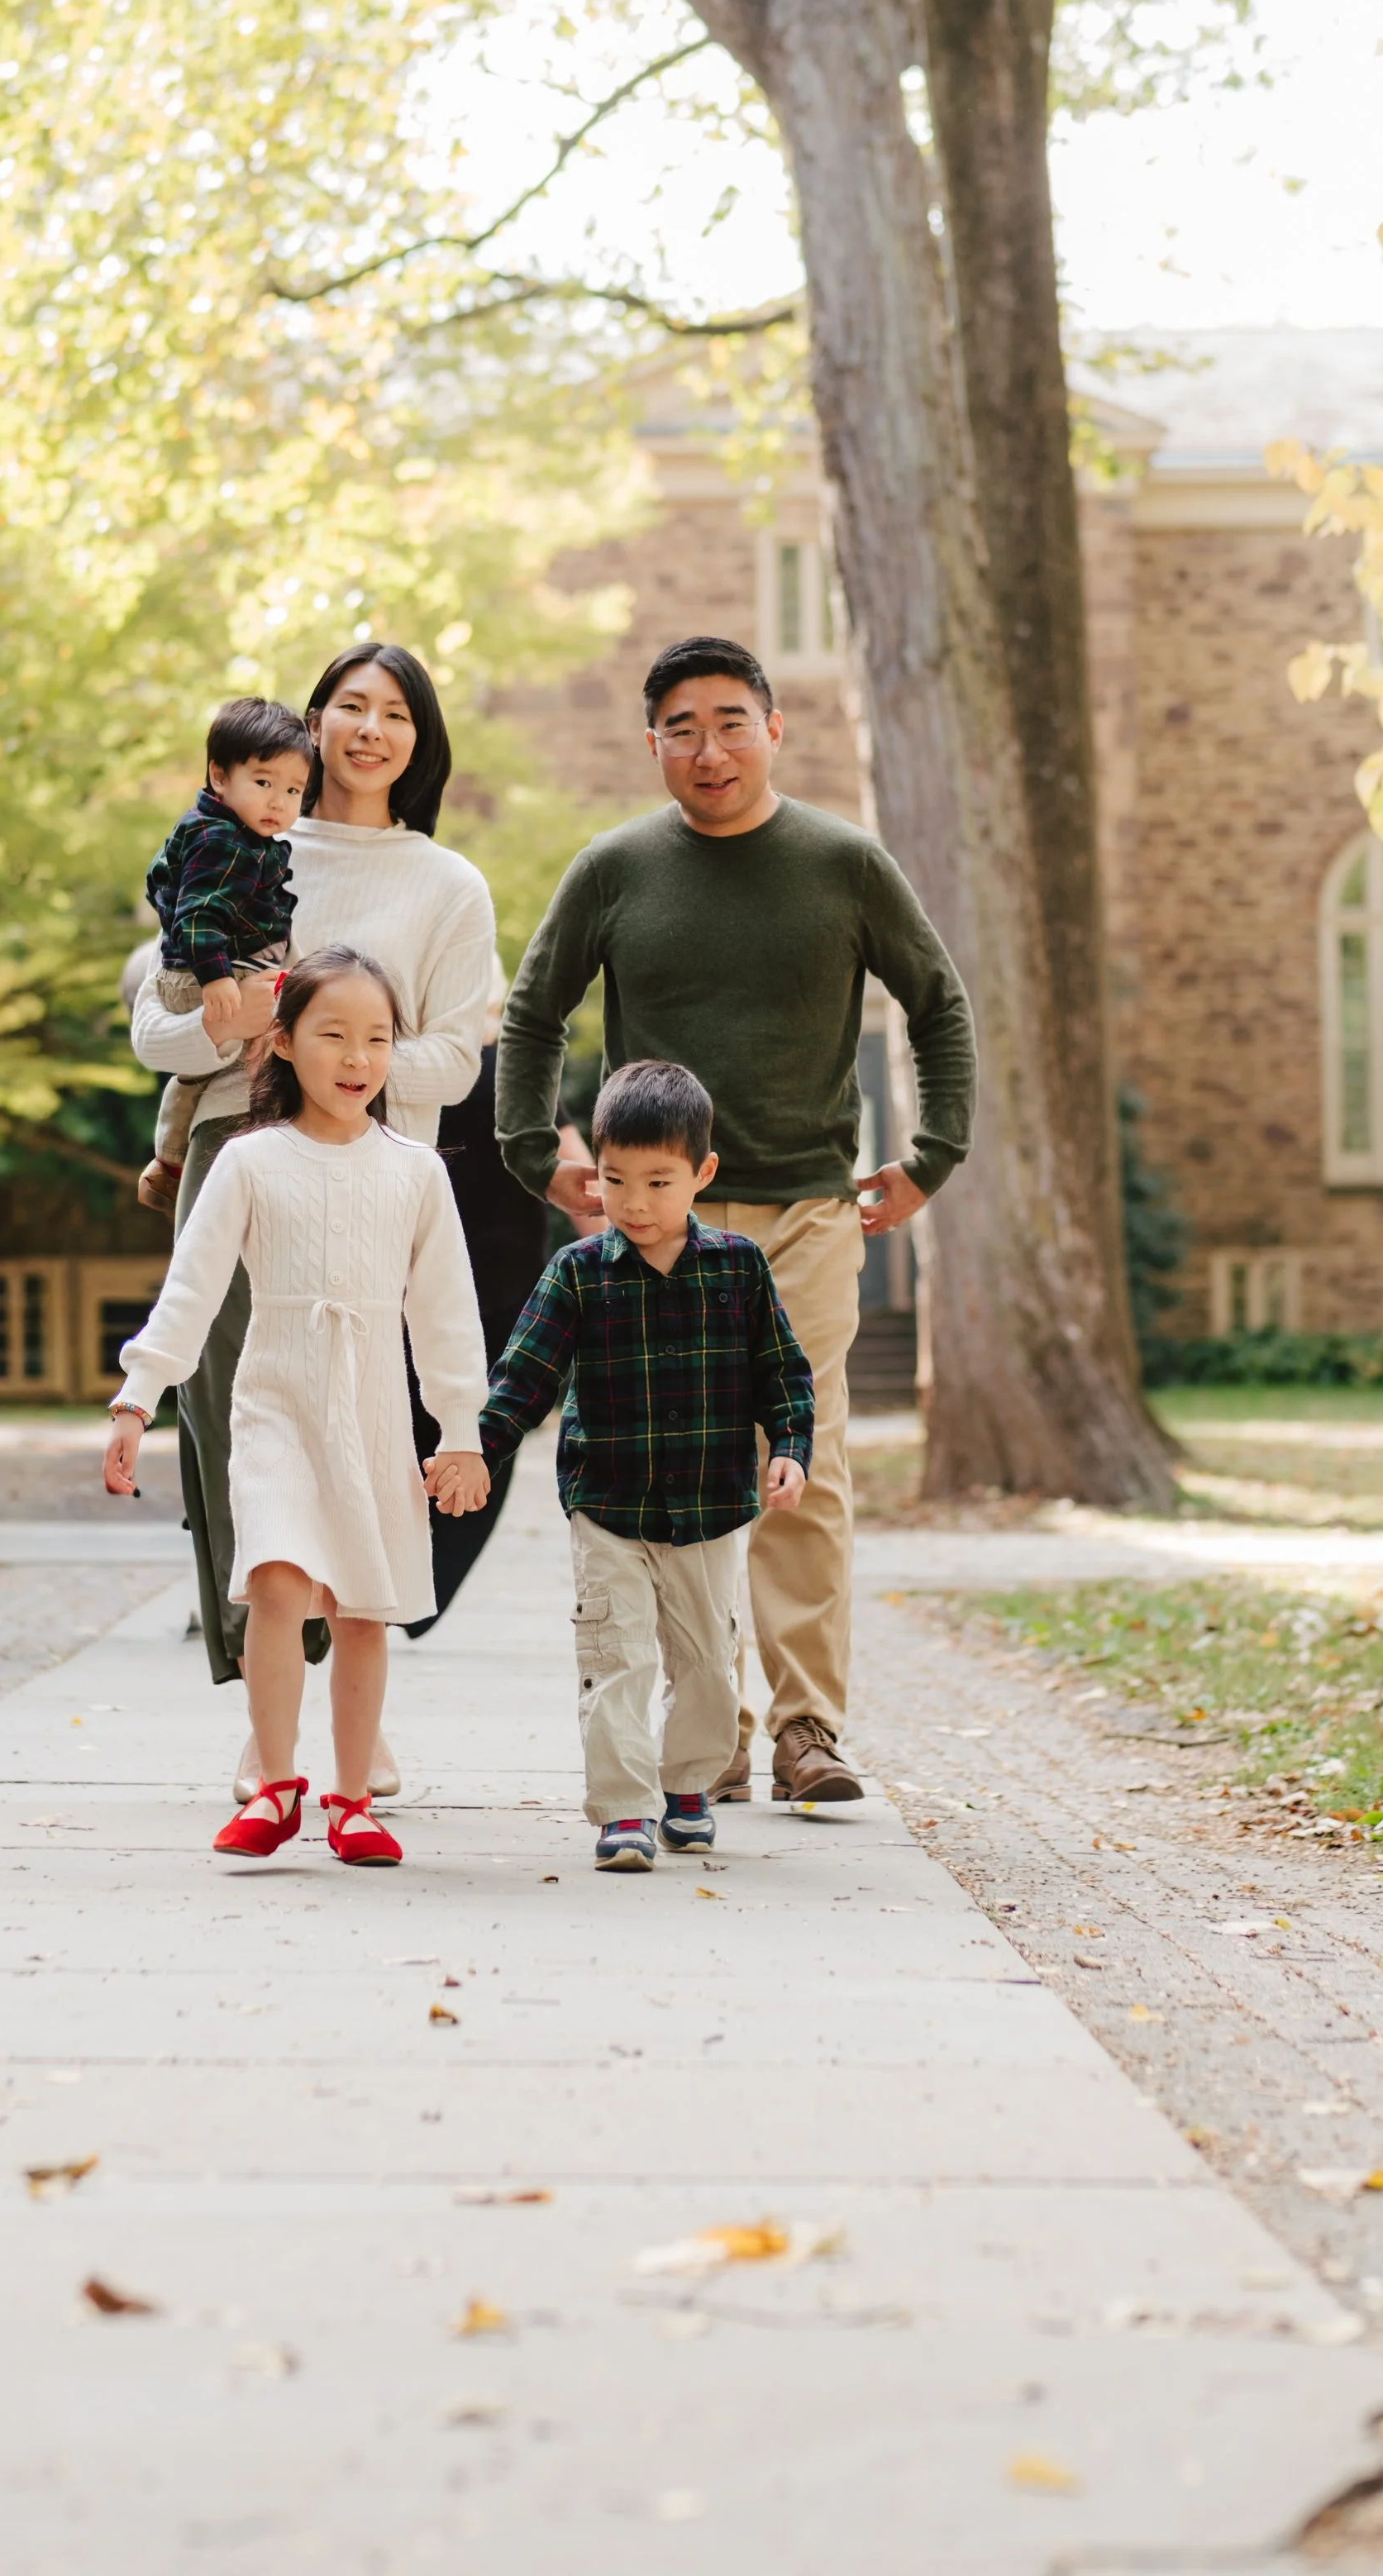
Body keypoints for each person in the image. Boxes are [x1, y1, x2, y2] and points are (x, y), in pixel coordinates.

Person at [495, 635, 975, 1807]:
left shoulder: (844, 863)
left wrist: (932, 1158)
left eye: (728, 721)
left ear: (772, 728)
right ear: (652, 742)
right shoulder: (615, 868)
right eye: (680, 728)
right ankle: (713, 1729)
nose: (707, 748)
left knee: (795, 1457)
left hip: (809, 1211)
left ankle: (808, 1726)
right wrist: (536, 1147)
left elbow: (938, 1001)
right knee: (680, 1467)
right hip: (655, 1226)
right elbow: (533, 1011)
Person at [128, 642, 497, 1781]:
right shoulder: (237, 841)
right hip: (240, 1158)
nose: (369, 729)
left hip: (370, 1182)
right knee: (236, 1432)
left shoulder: (447, 885)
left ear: (420, 740)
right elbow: (154, 1032)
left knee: (353, 1436)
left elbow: (458, 1056)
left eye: (394, 712)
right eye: (349, 705)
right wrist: (242, 1032)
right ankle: (267, 1717)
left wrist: (346, 1060)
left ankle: (354, 1707)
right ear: (314, 721)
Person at [104, 948, 489, 1863]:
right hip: (274, 1396)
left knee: (360, 1605)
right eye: (332, 1036)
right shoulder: (248, 1163)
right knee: (277, 1582)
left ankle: (351, 1800)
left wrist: (462, 1431)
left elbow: (444, 1316)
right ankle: (275, 1785)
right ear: (281, 1044)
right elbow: (190, 1291)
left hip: (371, 1409)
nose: (356, 1058)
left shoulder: (416, 1172)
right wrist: (136, 1398)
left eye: (376, 1039)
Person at [479, 1059, 813, 1872]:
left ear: (701, 1174)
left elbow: (783, 1373)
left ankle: (689, 1785)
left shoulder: (738, 1269)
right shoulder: (578, 1274)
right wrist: (475, 1455)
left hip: (707, 1506)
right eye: (615, 1179)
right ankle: (624, 1811)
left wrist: (791, 1451)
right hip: (607, 1502)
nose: (633, 1203)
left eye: (658, 1182)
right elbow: (524, 1378)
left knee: (706, 1659)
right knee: (616, 1657)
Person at [404, 958, 601, 1634]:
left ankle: (393, 1579)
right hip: (507, 1293)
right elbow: (587, 1189)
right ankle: (428, 1588)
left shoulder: (405, 1069)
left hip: (413, 1286)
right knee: (488, 1436)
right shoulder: (520, 1074)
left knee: (406, 1428)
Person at [136, 698, 312, 1218]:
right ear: (219, 775)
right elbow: (196, 915)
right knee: (270, 1056)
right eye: (263, 783)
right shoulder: (223, 841)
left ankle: (167, 1163)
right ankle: (251, 1148)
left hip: (212, 969)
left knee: (199, 1076)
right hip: (214, 973)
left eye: (293, 790)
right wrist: (216, 981)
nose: (278, 801)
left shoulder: (236, 834)